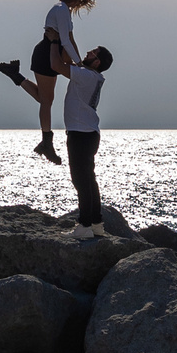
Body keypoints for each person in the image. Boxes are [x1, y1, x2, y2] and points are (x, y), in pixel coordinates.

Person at [0, 0, 95, 163]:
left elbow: (71, 39)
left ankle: (14, 74)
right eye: (81, 0)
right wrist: (78, 64)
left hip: (51, 54)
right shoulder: (60, 9)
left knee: (44, 98)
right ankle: (47, 144)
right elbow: (65, 41)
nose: (81, 4)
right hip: (46, 54)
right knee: (46, 101)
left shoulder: (65, 11)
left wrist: (79, 64)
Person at [60, 45, 114, 228]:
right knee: (89, 179)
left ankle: (84, 225)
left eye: (93, 52)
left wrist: (53, 42)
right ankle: (97, 222)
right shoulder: (92, 75)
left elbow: (56, 65)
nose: (89, 52)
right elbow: (69, 62)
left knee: (80, 180)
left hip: (81, 134)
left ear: (97, 61)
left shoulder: (86, 75)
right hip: (88, 133)